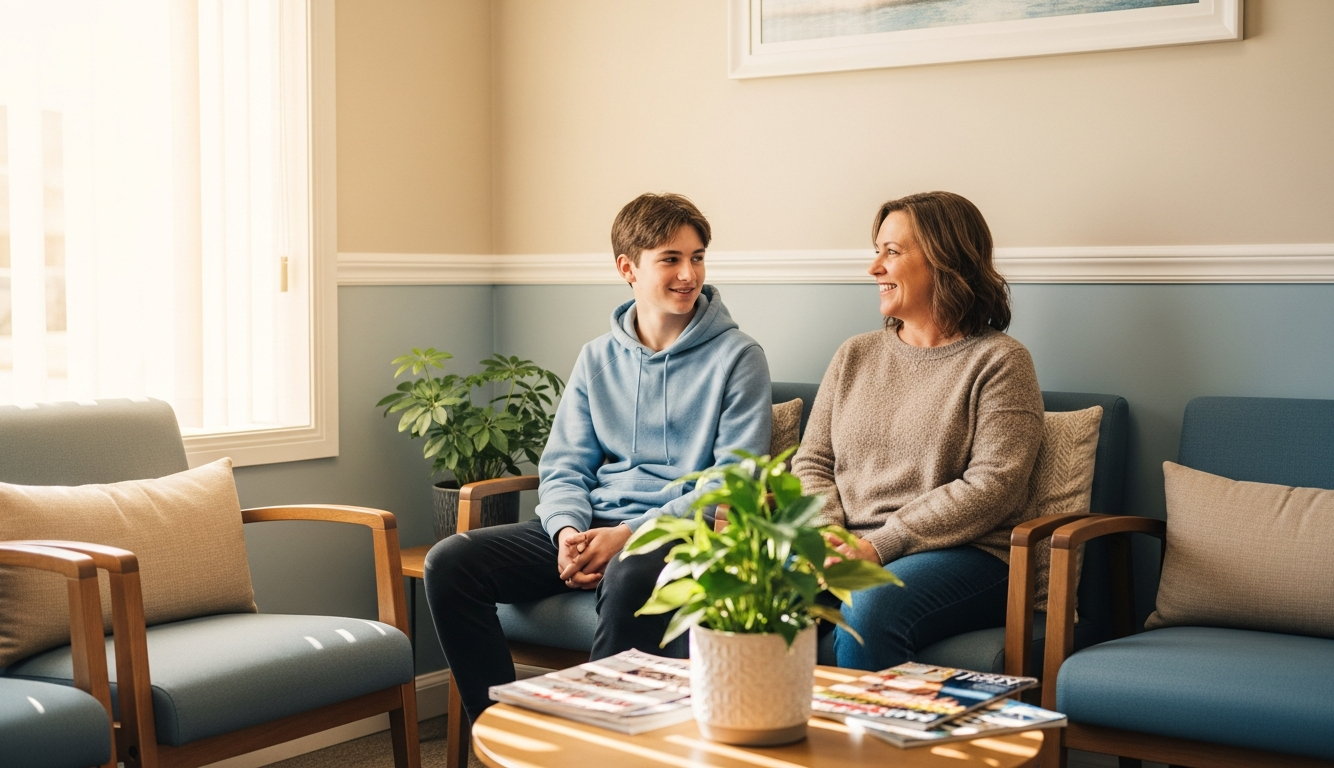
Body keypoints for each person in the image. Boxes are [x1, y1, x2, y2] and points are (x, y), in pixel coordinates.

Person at [425, 193, 772, 721]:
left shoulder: (739, 357)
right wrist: (567, 532)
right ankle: (500, 734)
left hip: (675, 534)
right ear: (627, 268)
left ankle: (597, 744)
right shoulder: (597, 358)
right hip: (591, 525)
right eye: (671, 259)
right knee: (451, 562)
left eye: (697, 257)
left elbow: (735, 483)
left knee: (631, 572)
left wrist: (631, 535)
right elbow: (564, 465)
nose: (689, 273)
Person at [794, 191, 1044, 672]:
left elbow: (993, 485)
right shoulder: (855, 354)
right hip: (847, 541)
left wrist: (880, 545)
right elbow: (812, 461)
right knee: (753, 586)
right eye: (876, 250)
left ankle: (868, 748)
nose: (874, 268)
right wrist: (826, 534)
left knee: (870, 603)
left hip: (966, 555)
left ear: (945, 261)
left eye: (892, 252)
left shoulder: (1000, 361)